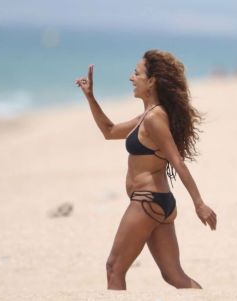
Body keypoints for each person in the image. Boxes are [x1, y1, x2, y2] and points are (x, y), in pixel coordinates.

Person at [75, 49, 217, 290]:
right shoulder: (147, 116)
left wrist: (199, 203)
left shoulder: (154, 118)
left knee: (114, 267)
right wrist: (91, 98)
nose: (131, 77)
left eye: (136, 73)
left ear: (151, 81)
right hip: (158, 202)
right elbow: (109, 131)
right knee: (174, 276)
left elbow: (177, 161)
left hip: (146, 201)